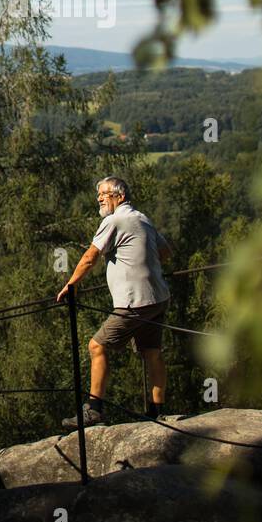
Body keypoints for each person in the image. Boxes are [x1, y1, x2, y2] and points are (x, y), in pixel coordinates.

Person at [57, 176, 172, 427]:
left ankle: (93, 410)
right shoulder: (143, 219)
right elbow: (165, 252)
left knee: (97, 346)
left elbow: (91, 256)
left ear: (118, 196)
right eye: (98, 194)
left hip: (133, 303)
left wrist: (71, 285)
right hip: (158, 299)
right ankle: (156, 411)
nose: (99, 198)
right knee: (152, 352)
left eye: (104, 194)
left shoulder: (114, 220)